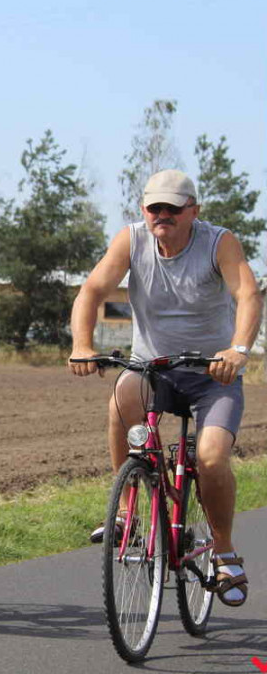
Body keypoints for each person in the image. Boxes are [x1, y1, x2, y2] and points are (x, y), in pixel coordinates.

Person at [69, 169, 261, 607]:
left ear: (193, 210)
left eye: (174, 208)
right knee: (122, 397)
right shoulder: (131, 240)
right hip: (154, 369)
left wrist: (237, 350)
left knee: (211, 460)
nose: (164, 215)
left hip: (214, 376)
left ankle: (225, 552)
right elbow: (93, 289)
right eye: (156, 207)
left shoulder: (218, 242)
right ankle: (126, 514)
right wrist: (83, 344)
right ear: (144, 209)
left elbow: (248, 294)